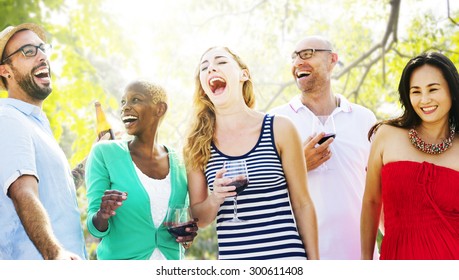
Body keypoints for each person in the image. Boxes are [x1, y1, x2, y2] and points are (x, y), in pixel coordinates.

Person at [183, 46, 319, 260]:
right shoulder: (197, 144)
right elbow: (199, 218)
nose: (211, 69)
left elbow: (303, 204)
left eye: (221, 62)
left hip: (286, 259)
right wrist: (215, 198)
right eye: (204, 67)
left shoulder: (280, 128)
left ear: (243, 75)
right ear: (202, 86)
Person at [269, 35, 377, 260]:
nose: (298, 62)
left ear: (332, 60)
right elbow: (263, 193)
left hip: (360, 257)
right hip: (302, 258)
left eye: (307, 54)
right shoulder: (274, 120)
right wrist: (298, 166)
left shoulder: (365, 118)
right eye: (294, 57)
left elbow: (378, 190)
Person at [361, 52, 459, 260]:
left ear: (452, 90)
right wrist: (365, 261)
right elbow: (371, 201)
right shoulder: (387, 135)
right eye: (416, 91)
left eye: (433, 89)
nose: (425, 100)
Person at [0, 23, 86, 260]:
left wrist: (93, 158)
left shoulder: (35, 126)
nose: (41, 56)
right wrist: (55, 253)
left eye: (42, 48)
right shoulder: (8, 117)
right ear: (5, 70)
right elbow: (23, 192)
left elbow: (53, 192)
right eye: (28, 51)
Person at [85, 80, 197, 260]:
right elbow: (94, 227)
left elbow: (181, 218)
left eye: (135, 100)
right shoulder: (104, 152)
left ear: (159, 109)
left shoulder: (179, 162)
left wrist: (187, 234)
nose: (125, 108)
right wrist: (102, 214)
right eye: (123, 102)